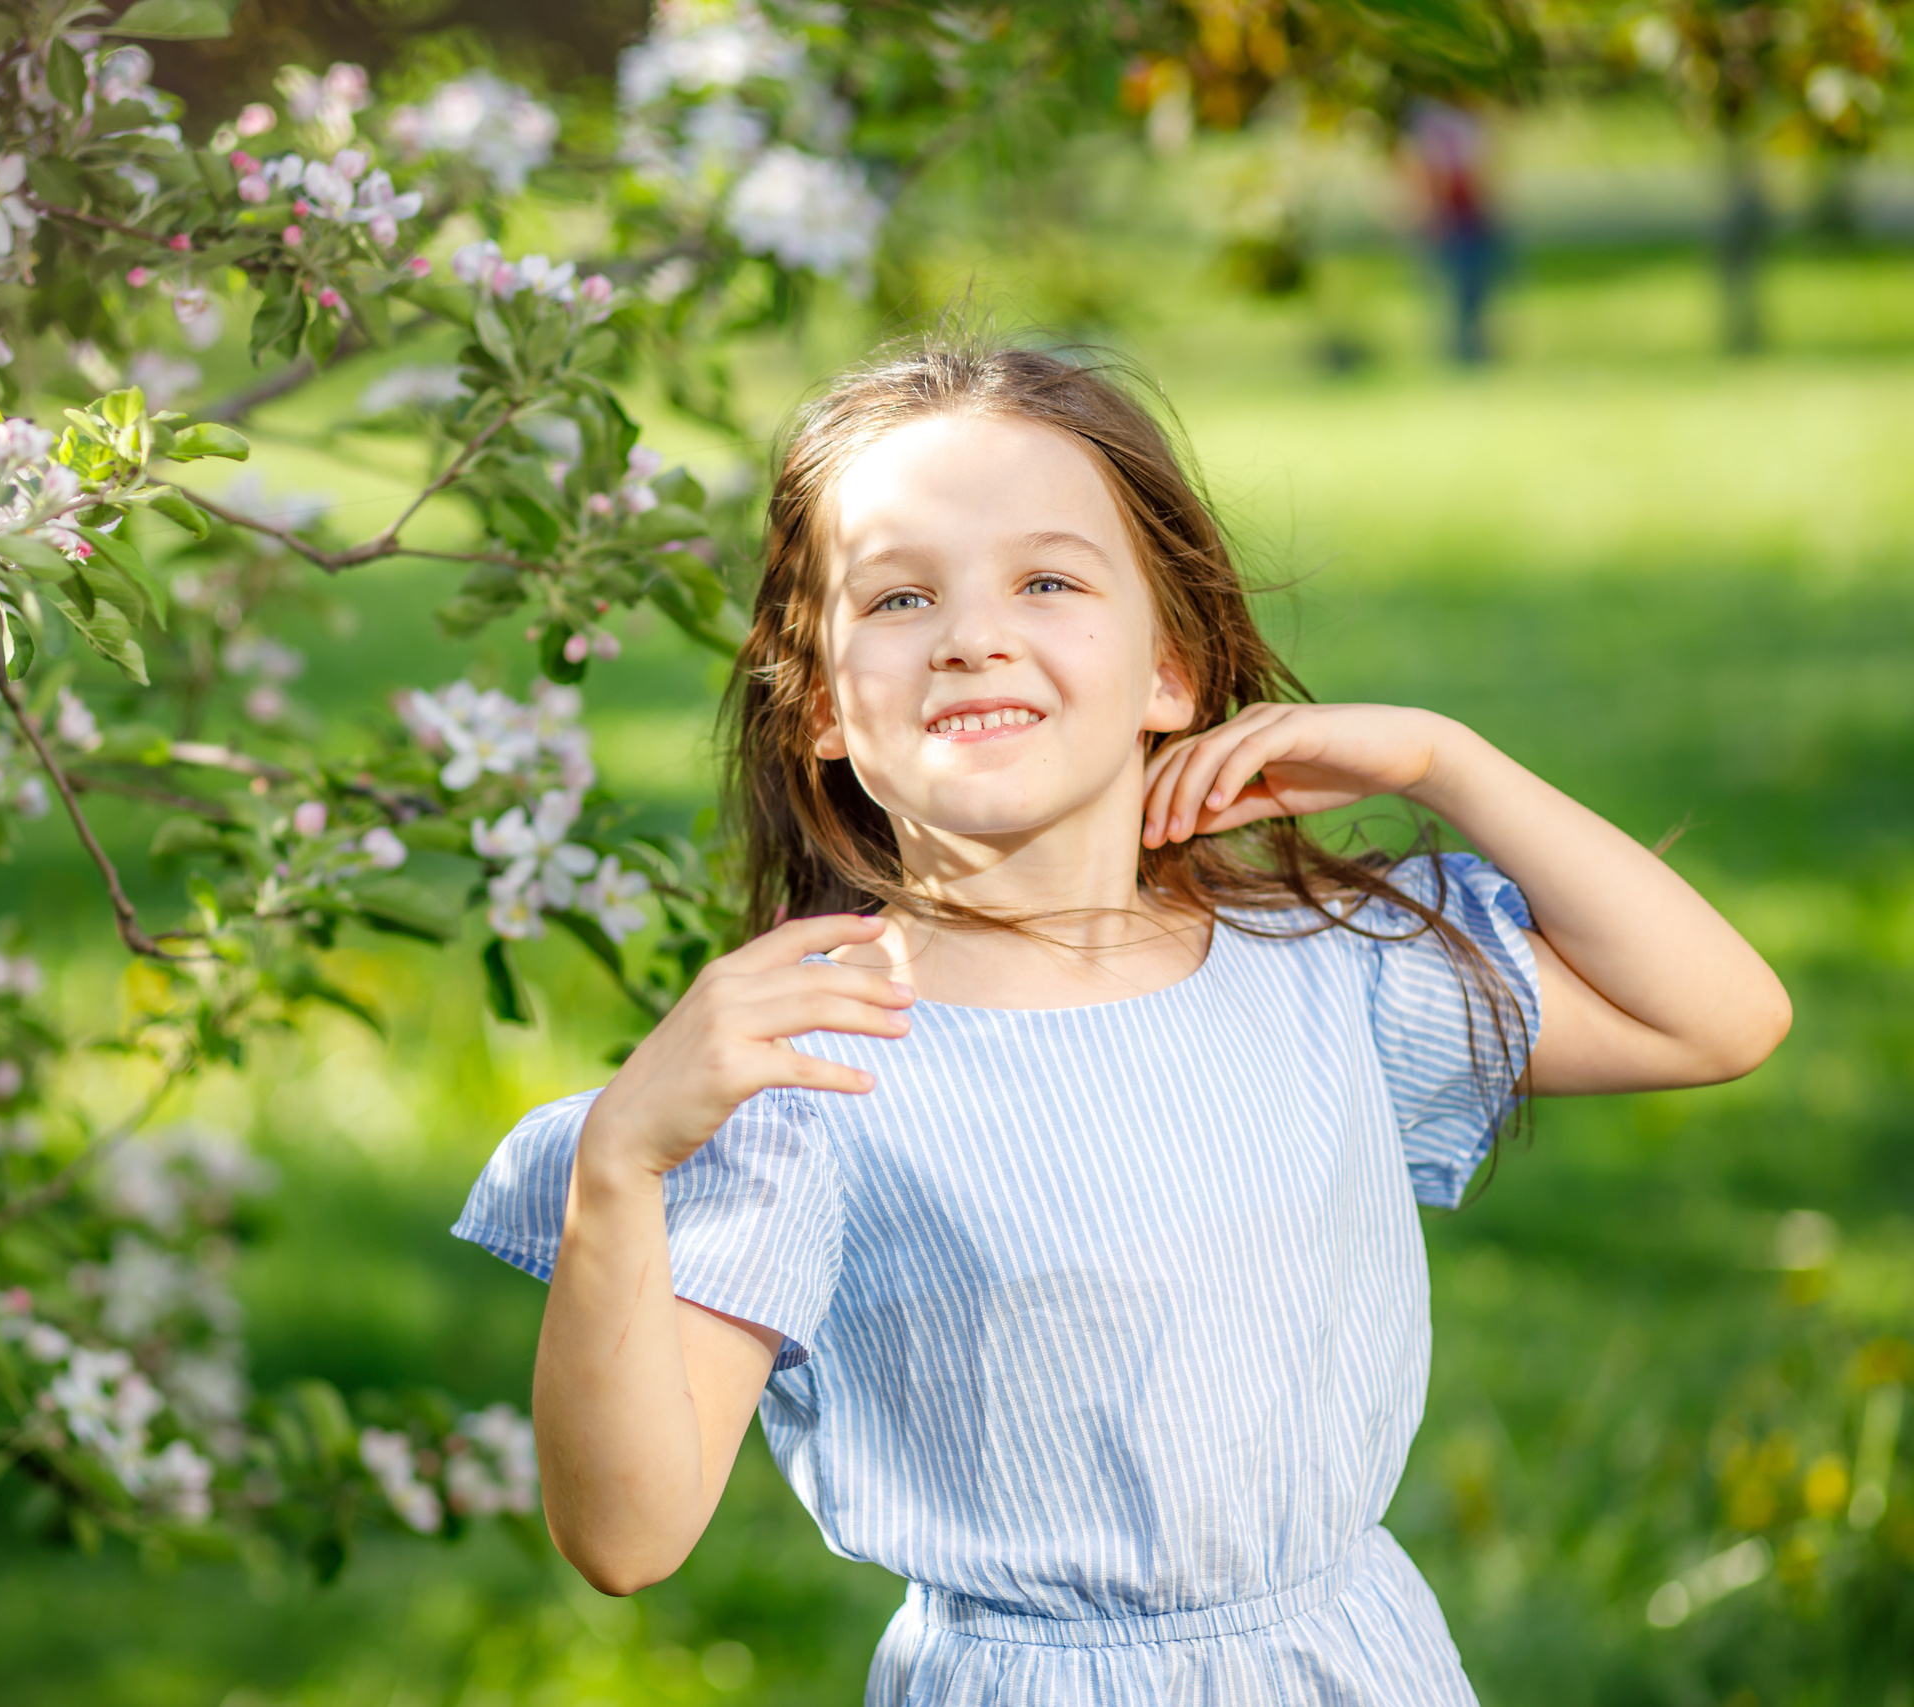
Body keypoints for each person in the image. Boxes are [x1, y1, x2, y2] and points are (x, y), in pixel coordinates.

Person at [451, 339, 1789, 1704]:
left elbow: (1718, 1018)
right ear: (822, 708)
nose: (973, 632)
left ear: (1172, 668)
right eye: (901, 594)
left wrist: (1446, 761)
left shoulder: (1324, 966)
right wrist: (619, 1167)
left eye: (1046, 579)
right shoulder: (808, 1069)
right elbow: (626, 1534)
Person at [1404, 98, 1503, 365]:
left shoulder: (1466, 120)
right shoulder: (1425, 120)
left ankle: (1473, 347)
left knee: (1474, 290)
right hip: (1444, 223)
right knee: (1446, 292)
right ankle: (1456, 350)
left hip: (1471, 220)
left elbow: (1483, 173)